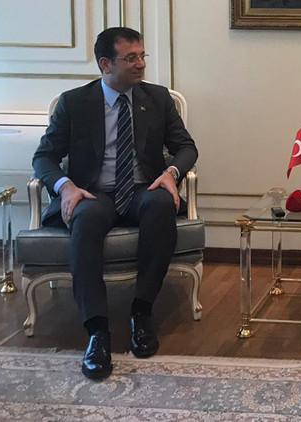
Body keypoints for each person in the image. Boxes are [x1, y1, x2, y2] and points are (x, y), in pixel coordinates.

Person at [32, 27, 198, 380]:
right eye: (131, 58)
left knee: (161, 205)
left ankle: (142, 312)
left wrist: (171, 172)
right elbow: (44, 157)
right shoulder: (74, 103)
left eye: (142, 56)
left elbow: (186, 147)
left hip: (142, 187)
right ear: (105, 64)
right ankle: (97, 332)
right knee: (86, 216)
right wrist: (65, 187)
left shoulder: (156, 98)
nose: (141, 64)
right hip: (94, 192)